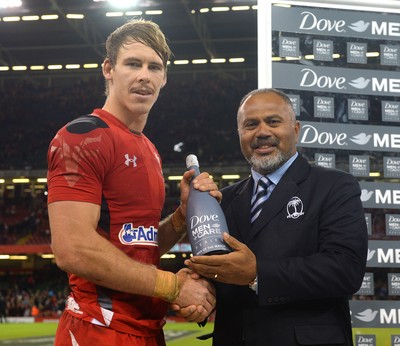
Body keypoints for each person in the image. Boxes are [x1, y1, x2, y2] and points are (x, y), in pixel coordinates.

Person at [47, 19, 217, 346]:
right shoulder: (81, 137)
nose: (144, 75)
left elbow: (139, 247)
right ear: (108, 69)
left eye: (154, 67)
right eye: (133, 63)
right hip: (98, 329)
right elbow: (72, 249)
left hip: (148, 330)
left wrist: (182, 216)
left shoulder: (149, 148)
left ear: (164, 78)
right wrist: (174, 287)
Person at [183, 88, 368, 345]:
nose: (262, 132)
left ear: (296, 129)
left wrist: (257, 274)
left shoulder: (335, 186)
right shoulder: (223, 200)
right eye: (250, 124)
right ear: (239, 134)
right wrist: (201, 293)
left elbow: (345, 270)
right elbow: (224, 275)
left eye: (273, 121)